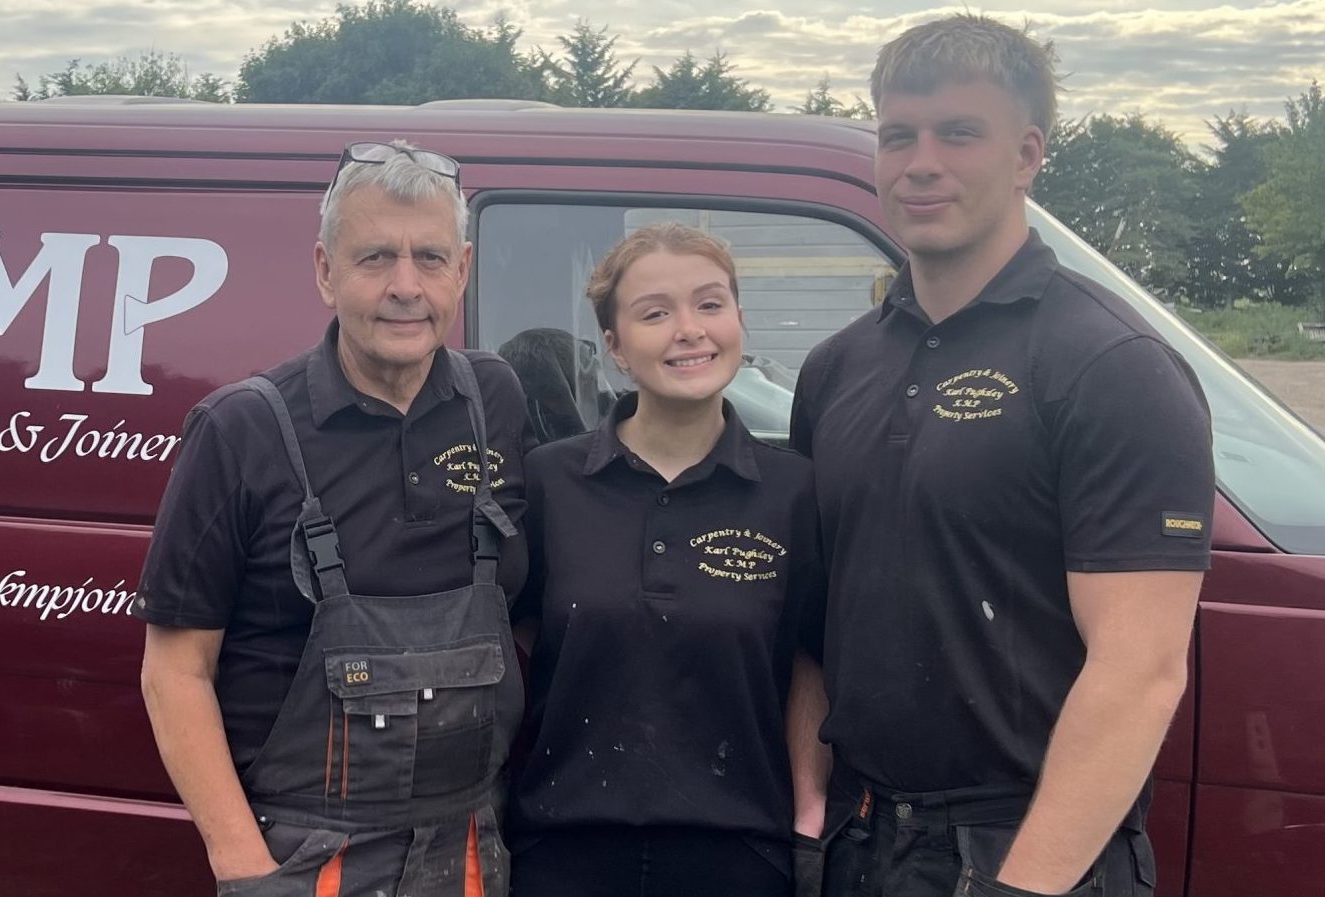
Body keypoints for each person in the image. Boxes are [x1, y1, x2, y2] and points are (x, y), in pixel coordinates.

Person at [790, 15, 1214, 897]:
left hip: (1028, 850)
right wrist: (810, 813)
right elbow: (816, 626)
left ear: (1026, 154)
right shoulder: (836, 370)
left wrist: (1020, 886)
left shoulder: (1109, 367)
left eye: (958, 133)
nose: (920, 162)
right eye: (897, 135)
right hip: (860, 843)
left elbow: (1139, 671)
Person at [134, 140, 534, 897]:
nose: (405, 286)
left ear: (464, 270)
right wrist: (248, 871)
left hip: (471, 848)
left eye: (430, 258)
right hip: (307, 857)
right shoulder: (241, 428)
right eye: (376, 257)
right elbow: (174, 671)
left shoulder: (497, 403)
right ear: (324, 270)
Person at [509, 223, 829, 897]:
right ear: (615, 346)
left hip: (741, 854)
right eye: (655, 312)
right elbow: (519, 641)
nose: (689, 329)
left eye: (709, 304)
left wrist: (806, 817)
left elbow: (806, 657)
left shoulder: (794, 492)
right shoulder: (548, 482)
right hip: (559, 851)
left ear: (739, 321)